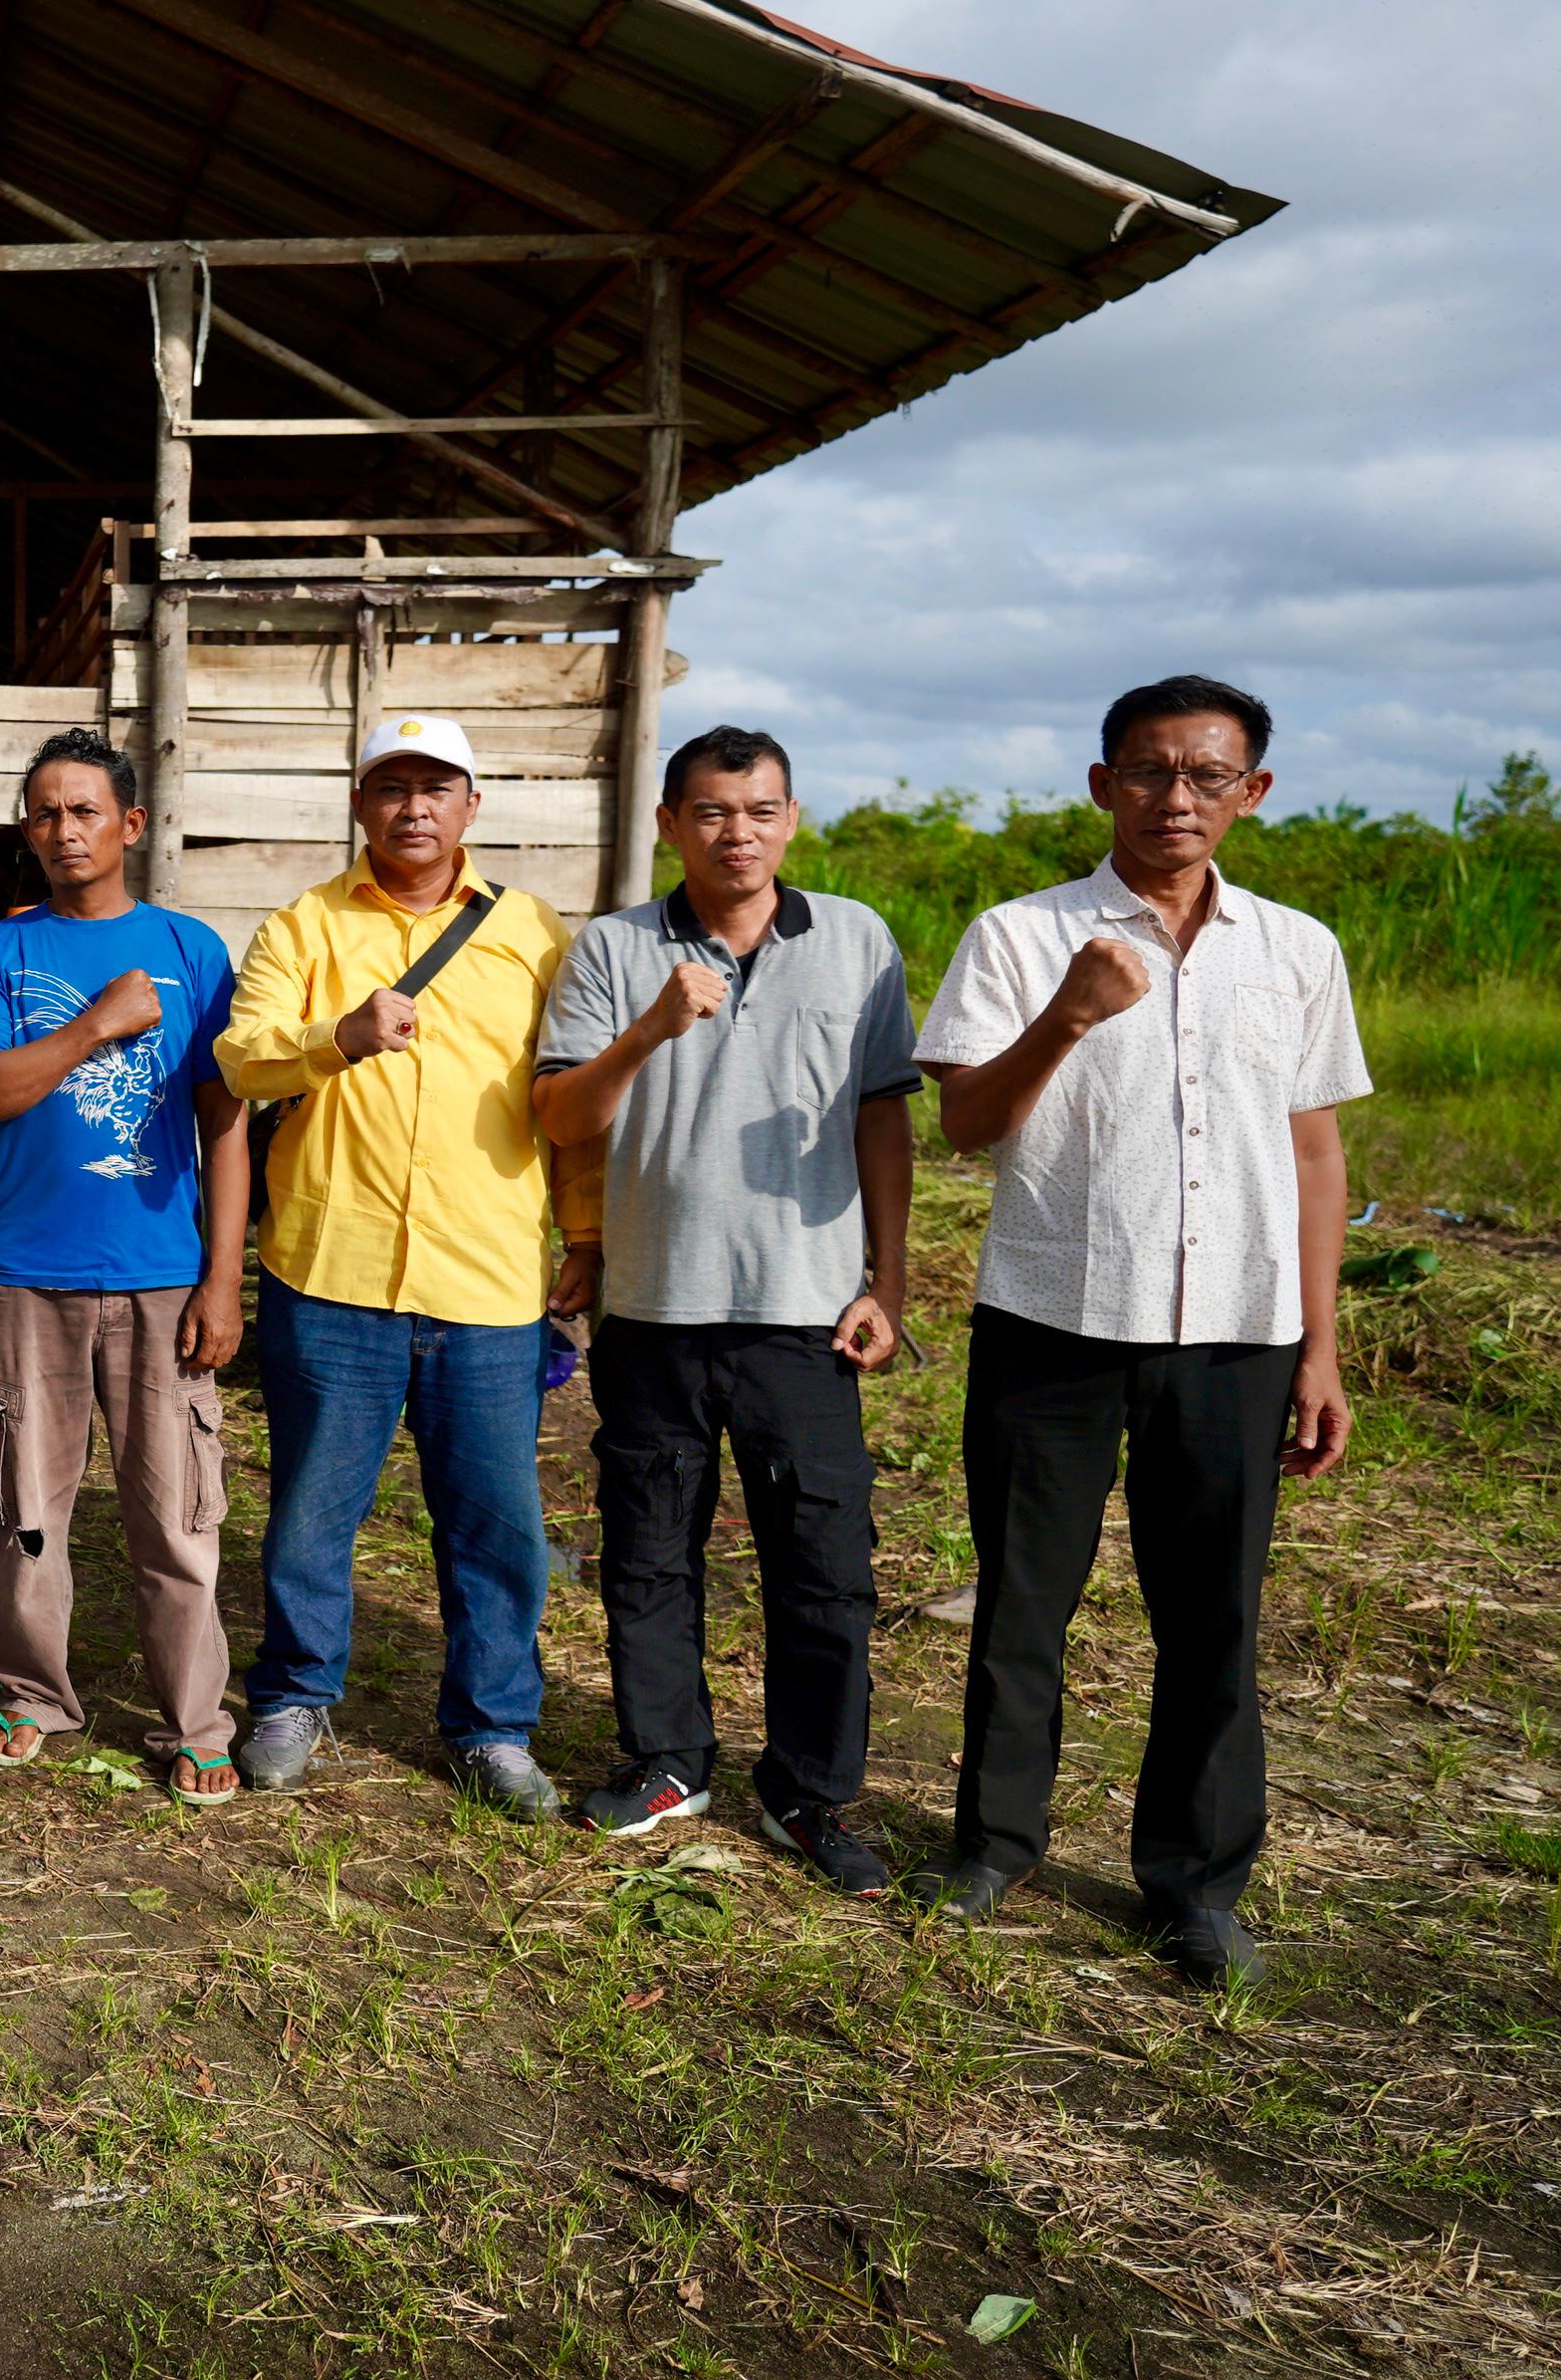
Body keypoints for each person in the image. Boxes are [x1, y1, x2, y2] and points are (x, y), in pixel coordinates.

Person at [911, 675, 1363, 1989]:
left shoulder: (1295, 952)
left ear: (1252, 794)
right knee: (1023, 1607)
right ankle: (995, 1851)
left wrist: (1318, 1346)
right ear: (1102, 783)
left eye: (1207, 776)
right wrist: (1071, 1011)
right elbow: (964, 1125)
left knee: (1212, 1614)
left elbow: (1316, 1148)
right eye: (1151, 772)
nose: (1178, 799)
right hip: (1054, 1321)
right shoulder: (1020, 936)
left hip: (1238, 1331)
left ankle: (1198, 1884)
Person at [532, 727, 915, 1895]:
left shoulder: (855, 940)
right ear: (668, 824)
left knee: (823, 1562)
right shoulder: (614, 947)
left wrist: (886, 1282)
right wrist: (651, 1025)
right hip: (655, 1304)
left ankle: (808, 1790)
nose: (734, 831)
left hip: (807, 1312)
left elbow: (884, 1119)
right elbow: (561, 1118)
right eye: (709, 811)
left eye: (758, 809)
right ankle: (666, 1759)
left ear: (791, 819)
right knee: (649, 1551)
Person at [213, 714, 597, 1818]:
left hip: (486, 1278)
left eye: (437, 787)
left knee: (494, 1516)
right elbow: (241, 1058)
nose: (414, 806)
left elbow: (564, 1102)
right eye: (392, 786)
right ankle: (292, 1693)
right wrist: (336, 1034)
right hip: (332, 1269)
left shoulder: (532, 933)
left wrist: (586, 1231)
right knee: (311, 1511)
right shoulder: (306, 924)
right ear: (360, 803)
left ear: (473, 804)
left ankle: (492, 1724)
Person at [0, 731, 252, 1803]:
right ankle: (34, 1693)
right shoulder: (0, 953)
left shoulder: (191, 947)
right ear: (26, 832)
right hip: (32, 1273)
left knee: (176, 1513)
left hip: (164, 1273)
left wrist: (224, 1277)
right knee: (28, 1505)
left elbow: (224, 1119)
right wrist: (96, 1025)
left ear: (128, 822)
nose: (64, 829)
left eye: (85, 810)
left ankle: (196, 1717)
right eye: (44, 813)